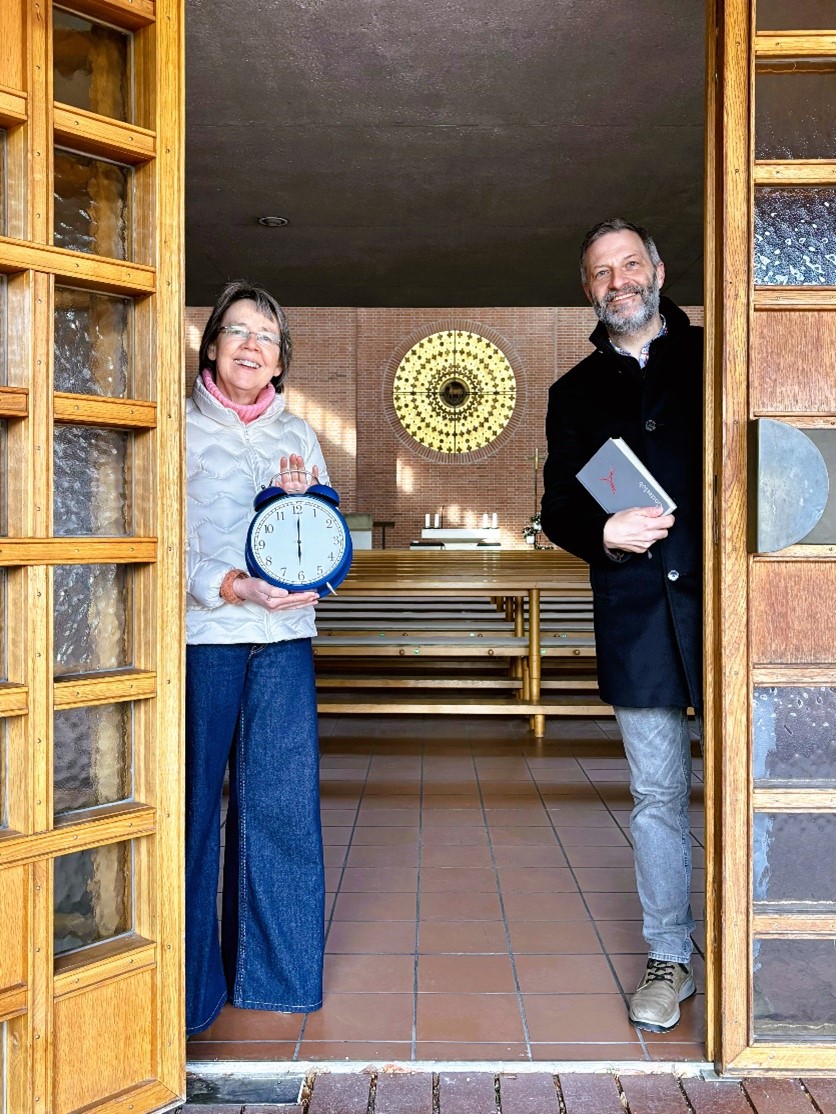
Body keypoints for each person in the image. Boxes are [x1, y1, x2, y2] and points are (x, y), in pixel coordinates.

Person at [540, 219, 702, 1033]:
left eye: (630, 265)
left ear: (659, 271)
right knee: (658, 795)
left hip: (727, 606)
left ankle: (768, 941)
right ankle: (672, 957)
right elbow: (559, 509)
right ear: (589, 290)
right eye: (602, 272)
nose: (619, 281)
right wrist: (601, 534)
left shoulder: (717, 356)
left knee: (760, 780)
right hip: (637, 615)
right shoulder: (572, 393)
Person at [185, 280, 330, 1036]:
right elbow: (152, 545)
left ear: (280, 360)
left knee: (280, 808)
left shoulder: (300, 435)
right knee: (189, 811)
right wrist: (229, 584)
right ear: (211, 345)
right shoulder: (173, 428)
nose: (251, 345)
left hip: (281, 645)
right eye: (237, 331)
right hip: (202, 639)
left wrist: (302, 509)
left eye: (267, 336)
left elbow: (326, 546)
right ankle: (185, 993)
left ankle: (276, 975)